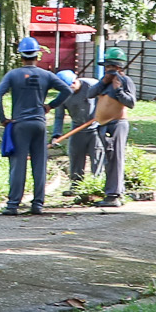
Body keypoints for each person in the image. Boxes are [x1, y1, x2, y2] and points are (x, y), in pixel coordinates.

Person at [54, 46, 137, 206]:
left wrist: (118, 90)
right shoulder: (102, 82)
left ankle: (113, 195)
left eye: (111, 67)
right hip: (104, 125)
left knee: (115, 158)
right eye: (106, 67)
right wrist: (104, 82)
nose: (108, 70)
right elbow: (90, 94)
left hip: (117, 124)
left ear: (119, 67)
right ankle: (110, 192)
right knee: (108, 159)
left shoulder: (126, 81)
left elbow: (131, 103)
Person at [0, 37, 57, 214]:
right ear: (38, 55)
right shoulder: (46, 75)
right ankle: (38, 204)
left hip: (20, 124)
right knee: (39, 164)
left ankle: (13, 205)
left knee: (18, 164)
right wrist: (51, 105)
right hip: (39, 123)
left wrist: (3, 118)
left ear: (21, 56)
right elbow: (66, 89)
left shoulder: (13, 75)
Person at [60, 63, 102, 183]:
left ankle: (96, 185)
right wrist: (56, 134)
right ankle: (75, 185)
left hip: (96, 128)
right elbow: (59, 116)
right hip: (77, 128)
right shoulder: (63, 95)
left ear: (75, 80)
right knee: (75, 156)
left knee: (97, 156)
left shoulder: (93, 85)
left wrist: (102, 117)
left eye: (72, 85)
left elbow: (104, 101)